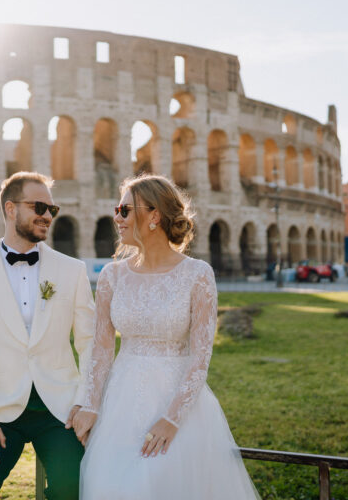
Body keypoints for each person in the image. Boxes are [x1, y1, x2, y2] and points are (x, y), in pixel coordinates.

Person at [72, 175, 259, 499]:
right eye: (118, 210)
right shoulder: (111, 276)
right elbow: (102, 348)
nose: (117, 218)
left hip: (179, 405)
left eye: (125, 210)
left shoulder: (198, 275)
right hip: (121, 402)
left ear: (154, 215)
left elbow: (200, 357)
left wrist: (172, 419)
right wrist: (89, 403)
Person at [0, 171, 95, 500]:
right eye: (39, 206)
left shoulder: (72, 271)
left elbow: (90, 344)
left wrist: (86, 402)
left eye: (52, 210)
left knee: (71, 491)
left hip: (60, 412)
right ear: (11, 209)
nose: (47, 216)